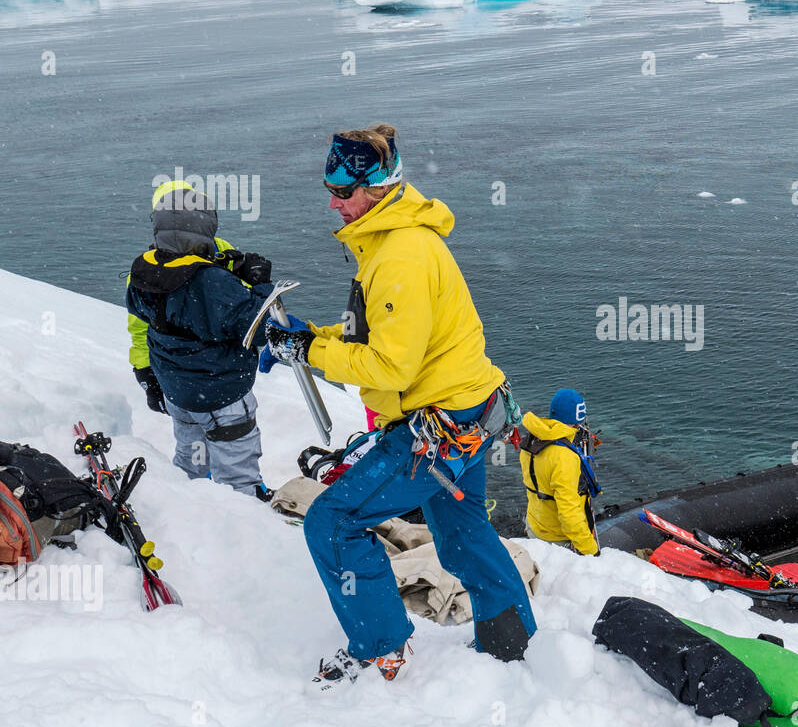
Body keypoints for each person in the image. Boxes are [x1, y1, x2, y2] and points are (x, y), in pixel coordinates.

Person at [265, 123, 537, 689]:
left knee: (334, 522)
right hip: (470, 412)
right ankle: (511, 640)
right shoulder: (396, 241)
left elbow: (391, 366)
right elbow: (379, 338)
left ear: (379, 187)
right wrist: (312, 336)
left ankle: (379, 652)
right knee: (462, 533)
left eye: (344, 192)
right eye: (330, 190)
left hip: (435, 428)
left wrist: (310, 349)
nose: (334, 203)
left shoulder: (399, 257)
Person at [125, 180, 281, 500]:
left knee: (190, 457)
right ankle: (243, 518)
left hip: (177, 389)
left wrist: (145, 374)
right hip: (219, 392)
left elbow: (142, 323)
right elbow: (258, 327)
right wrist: (261, 287)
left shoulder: (144, 272)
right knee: (236, 471)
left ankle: (187, 508)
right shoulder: (211, 281)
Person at [518, 388, 601, 557]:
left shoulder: (532, 440)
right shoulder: (565, 457)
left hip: (535, 524)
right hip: (557, 538)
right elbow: (568, 512)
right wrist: (590, 550)